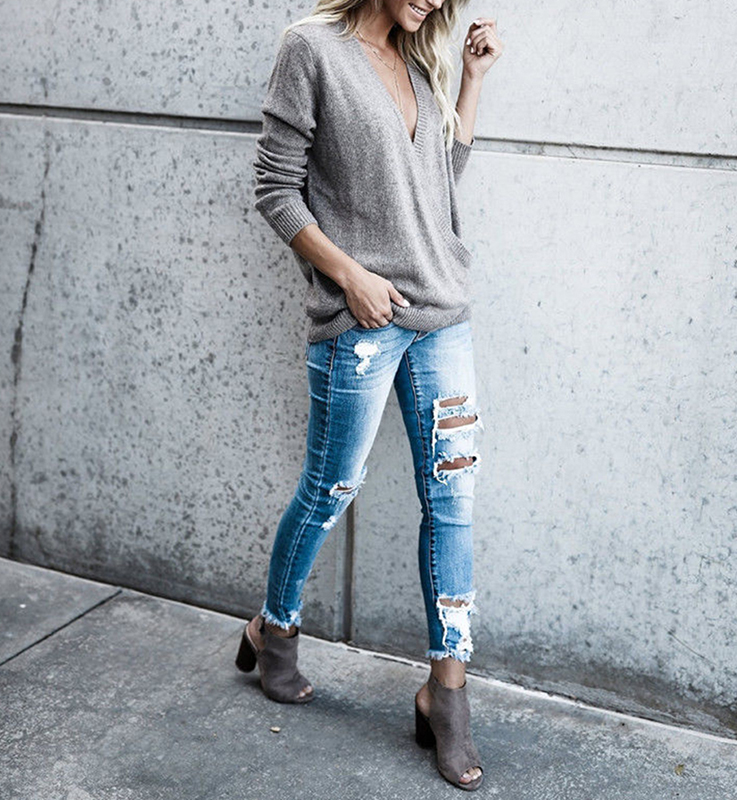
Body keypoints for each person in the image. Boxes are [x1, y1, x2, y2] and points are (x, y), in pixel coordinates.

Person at [236, 0, 503, 790]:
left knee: (453, 502)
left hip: (441, 316)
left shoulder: (421, 62)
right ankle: (275, 629)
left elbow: (437, 185)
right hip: (362, 320)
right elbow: (275, 190)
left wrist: (472, 80)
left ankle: (446, 693)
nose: (433, 1)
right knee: (331, 487)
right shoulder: (312, 50)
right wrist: (349, 276)